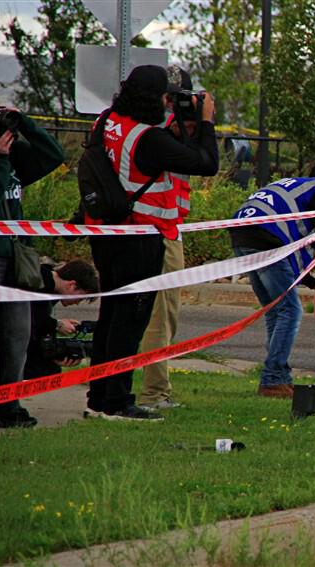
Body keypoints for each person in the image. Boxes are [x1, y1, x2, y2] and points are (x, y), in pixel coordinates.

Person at [84, 65, 218, 421]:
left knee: (110, 316)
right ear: (155, 98)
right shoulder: (148, 138)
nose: (168, 103)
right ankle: (118, 401)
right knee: (131, 321)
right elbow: (207, 163)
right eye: (165, 97)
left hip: (106, 232)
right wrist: (205, 122)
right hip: (141, 236)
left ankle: (98, 397)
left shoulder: (107, 120)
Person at [229, 164, 315, 398]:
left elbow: (291, 261)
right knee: (290, 311)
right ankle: (272, 379)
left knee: (275, 310)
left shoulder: (297, 189)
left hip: (243, 234)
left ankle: (279, 377)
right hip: (265, 239)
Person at [0, 93, 65, 430]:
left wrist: (24, 121)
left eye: (0, 117)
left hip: (17, 258)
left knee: (17, 334)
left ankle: (9, 402)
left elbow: (53, 156)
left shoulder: (14, 153)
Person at [138, 65, 198, 410]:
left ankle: (152, 390)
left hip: (167, 227)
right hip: (159, 232)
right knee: (161, 317)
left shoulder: (169, 132)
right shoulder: (157, 134)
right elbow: (205, 161)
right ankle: (153, 393)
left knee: (162, 317)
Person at [24, 260, 99, 381]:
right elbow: (28, 319)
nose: (76, 303)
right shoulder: (38, 284)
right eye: (79, 298)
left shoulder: (45, 283)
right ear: (72, 285)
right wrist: (57, 324)